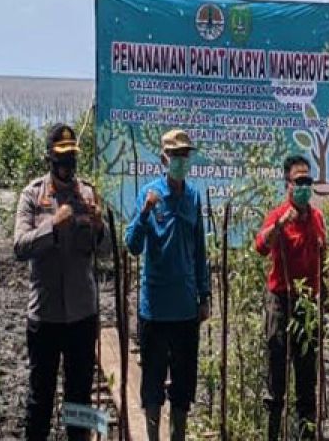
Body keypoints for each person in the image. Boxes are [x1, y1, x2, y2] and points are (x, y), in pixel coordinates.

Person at [14, 124, 112, 441]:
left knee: (80, 397)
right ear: (49, 159)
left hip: (82, 315)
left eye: (72, 157)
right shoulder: (32, 196)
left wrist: (99, 227)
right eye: (61, 158)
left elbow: (108, 251)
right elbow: (20, 246)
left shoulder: (88, 194)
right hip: (45, 316)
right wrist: (52, 228)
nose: (68, 165)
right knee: (40, 396)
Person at [125, 128, 211, 441]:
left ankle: (178, 436)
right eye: (175, 155)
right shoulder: (149, 193)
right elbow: (132, 245)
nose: (180, 160)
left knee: (183, 386)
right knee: (152, 384)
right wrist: (145, 212)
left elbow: (199, 250)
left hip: (186, 309)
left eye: (185, 155)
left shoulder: (193, 196)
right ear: (164, 158)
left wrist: (205, 295)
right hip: (155, 310)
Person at [255, 155, 327, 441]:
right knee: (276, 380)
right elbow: (260, 245)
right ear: (288, 183)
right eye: (299, 181)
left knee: (307, 382)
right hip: (281, 302)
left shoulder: (317, 218)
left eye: (308, 180)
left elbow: (324, 259)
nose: (304, 186)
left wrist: (324, 300)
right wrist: (281, 225)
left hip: (308, 305)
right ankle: (273, 434)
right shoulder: (278, 215)